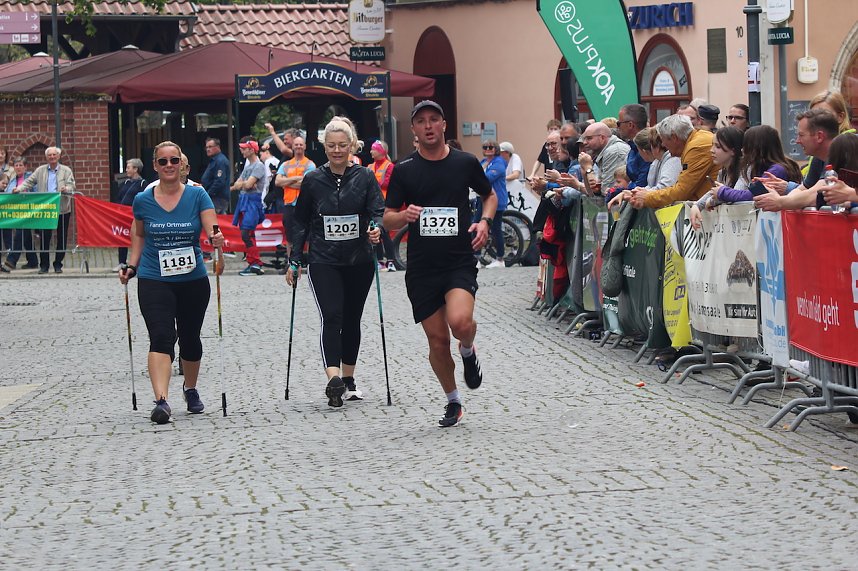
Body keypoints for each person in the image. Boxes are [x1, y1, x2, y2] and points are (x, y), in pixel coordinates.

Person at [383, 100, 498, 427]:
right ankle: (453, 401)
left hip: (457, 261)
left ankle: (468, 349)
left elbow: (489, 195)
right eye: (422, 121)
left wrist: (485, 222)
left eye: (435, 119)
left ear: (444, 125)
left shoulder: (464, 163)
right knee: (436, 341)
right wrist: (404, 215)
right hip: (421, 267)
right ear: (414, 129)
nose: (429, 126)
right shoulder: (404, 170)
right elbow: (388, 218)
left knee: (460, 322)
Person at [118, 141, 224, 424]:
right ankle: (161, 401)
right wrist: (132, 265)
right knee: (162, 336)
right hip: (155, 277)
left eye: (173, 161)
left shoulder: (198, 195)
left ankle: (190, 388)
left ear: (182, 164)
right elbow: (139, 235)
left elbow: (212, 227)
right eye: (162, 162)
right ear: (155, 165)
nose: (168, 166)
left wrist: (217, 242)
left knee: (190, 338)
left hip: (192, 279)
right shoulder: (143, 199)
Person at [287, 118, 384, 407]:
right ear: (324, 147)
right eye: (331, 146)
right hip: (323, 259)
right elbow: (300, 222)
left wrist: (376, 228)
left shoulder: (365, 177)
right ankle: (334, 378)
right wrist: (295, 260)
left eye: (343, 145)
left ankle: (350, 378)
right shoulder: (314, 179)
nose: (337, 150)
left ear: (352, 146)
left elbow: (377, 209)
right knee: (332, 316)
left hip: (359, 259)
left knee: (352, 318)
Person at [625, 114, 719, 209]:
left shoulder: (696, 147)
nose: (663, 144)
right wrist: (647, 193)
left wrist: (647, 197)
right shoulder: (696, 140)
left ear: (674, 137)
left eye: (663, 140)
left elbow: (682, 191)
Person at [753, 108, 840, 212]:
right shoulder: (818, 157)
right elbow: (803, 189)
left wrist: (781, 202)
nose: (797, 141)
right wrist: (783, 199)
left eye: (801, 135)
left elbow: (818, 192)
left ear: (819, 136)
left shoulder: (842, 151)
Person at [14, 146, 76, 274]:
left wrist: (66, 188)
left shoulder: (66, 170)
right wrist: (19, 189)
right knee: (44, 238)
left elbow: (72, 185)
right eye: (50, 155)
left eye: (54, 155)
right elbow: (29, 182)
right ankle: (44, 265)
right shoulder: (40, 170)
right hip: (46, 210)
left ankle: (58, 264)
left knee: (61, 238)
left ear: (58, 156)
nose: (52, 157)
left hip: (62, 208)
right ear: (46, 157)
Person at [275, 136, 316, 263]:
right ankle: (290, 261)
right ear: (292, 147)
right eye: (296, 144)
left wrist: (286, 182)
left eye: (300, 144)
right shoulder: (286, 165)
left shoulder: (310, 164)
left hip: (305, 204)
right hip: (289, 203)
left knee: (308, 235)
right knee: (289, 235)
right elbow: (277, 181)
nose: (298, 147)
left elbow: (306, 183)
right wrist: (297, 179)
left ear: (304, 146)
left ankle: (309, 261)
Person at [230, 137, 267, 276]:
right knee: (247, 233)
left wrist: (243, 184)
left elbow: (247, 184)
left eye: (244, 148)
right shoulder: (248, 166)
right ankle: (253, 263)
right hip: (246, 201)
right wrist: (243, 184)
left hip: (252, 202)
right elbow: (239, 184)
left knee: (247, 233)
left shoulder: (258, 166)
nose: (241, 150)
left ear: (252, 150)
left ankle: (255, 263)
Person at [3, 157, 39, 271]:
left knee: (20, 234)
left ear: (25, 167)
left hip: (29, 210)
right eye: (16, 165)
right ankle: (33, 261)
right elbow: (8, 193)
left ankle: (11, 261)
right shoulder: (13, 179)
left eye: (20, 165)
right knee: (25, 235)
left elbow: (37, 192)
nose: (18, 167)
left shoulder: (31, 177)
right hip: (17, 211)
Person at [477, 139, 508, 269]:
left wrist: (478, 176)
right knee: (476, 226)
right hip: (482, 199)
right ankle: (476, 257)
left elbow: (487, 178)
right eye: (485, 147)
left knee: (496, 229)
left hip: (496, 200)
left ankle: (500, 259)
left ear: (495, 149)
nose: (487, 149)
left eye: (490, 147)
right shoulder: (483, 162)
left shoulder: (499, 162)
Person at [368, 139, 397, 271]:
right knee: (375, 232)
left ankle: (390, 260)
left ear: (381, 152)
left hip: (384, 203)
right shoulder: (369, 166)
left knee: (385, 233)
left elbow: (387, 183)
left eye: (373, 149)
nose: (371, 151)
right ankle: (379, 260)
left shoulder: (389, 166)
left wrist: (373, 184)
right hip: (371, 203)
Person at [577, 121, 630, 192]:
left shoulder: (614, 152)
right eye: (584, 139)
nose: (584, 142)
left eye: (589, 138)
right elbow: (593, 191)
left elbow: (608, 191)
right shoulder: (604, 152)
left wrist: (588, 168)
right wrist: (585, 171)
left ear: (602, 138)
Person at [115, 158, 146, 271]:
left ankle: (137, 262)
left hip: (134, 216)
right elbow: (119, 197)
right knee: (121, 237)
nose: (126, 170)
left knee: (136, 238)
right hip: (122, 215)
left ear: (135, 169)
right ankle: (122, 262)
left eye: (128, 167)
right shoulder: (125, 183)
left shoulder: (143, 183)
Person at [617, 103, 650, 189]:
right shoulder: (633, 147)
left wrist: (620, 192)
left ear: (630, 125)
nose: (617, 127)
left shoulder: (646, 148)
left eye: (619, 123)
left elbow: (642, 184)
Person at [200, 137, 231, 214]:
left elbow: (219, 181)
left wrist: (208, 193)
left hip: (218, 199)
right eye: (206, 147)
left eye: (210, 147)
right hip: (214, 198)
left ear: (217, 147)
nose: (208, 149)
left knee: (215, 222)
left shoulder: (220, 161)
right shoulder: (214, 160)